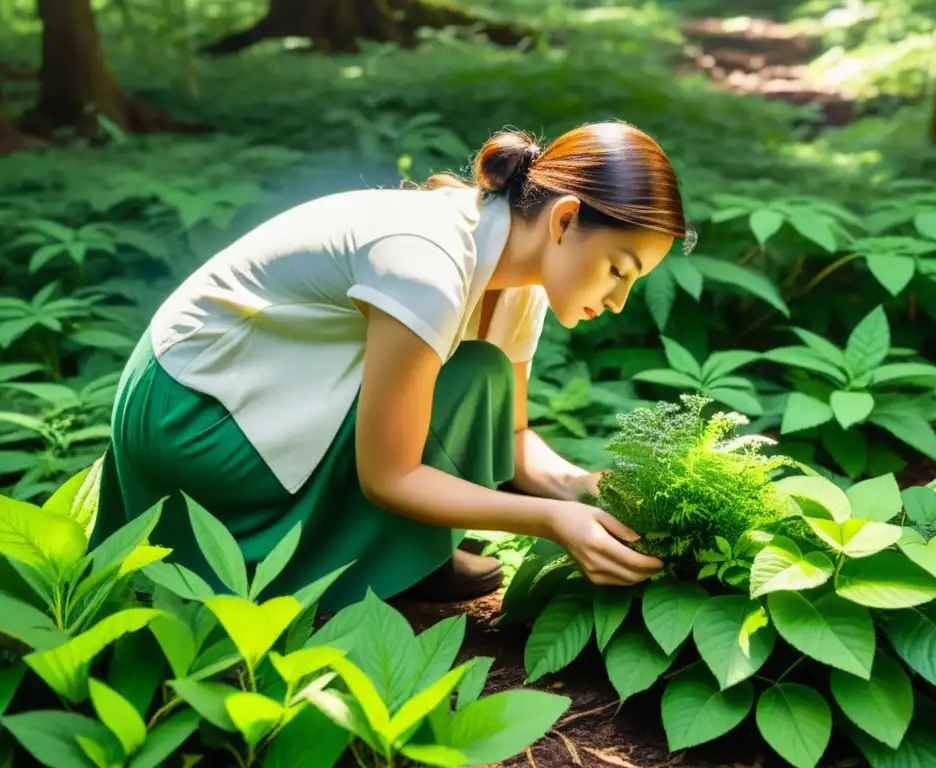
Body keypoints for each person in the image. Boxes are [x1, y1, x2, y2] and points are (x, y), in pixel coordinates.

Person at [91, 120, 692, 611]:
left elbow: (512, 437)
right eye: (618, 270)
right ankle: (373, 565)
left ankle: (408, 556)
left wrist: (585, 488)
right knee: (464, 383)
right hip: (193, 411)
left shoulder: (524, 281)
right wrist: (554, 522)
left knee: (476, 375)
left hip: (273, 393)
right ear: (563, 221)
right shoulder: (427, 263)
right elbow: (390, 476)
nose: (618, 301)